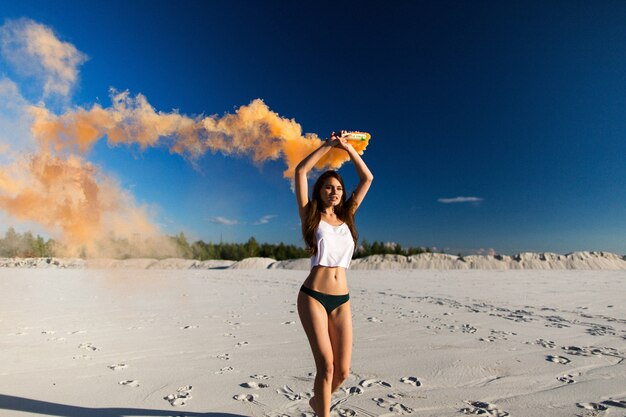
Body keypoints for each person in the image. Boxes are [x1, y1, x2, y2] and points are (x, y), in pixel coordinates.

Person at [295, 130, 374, 416]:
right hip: (313, 297)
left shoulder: (348, 216)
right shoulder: (311, 215)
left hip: (342, 301)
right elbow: (301, 171)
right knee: (325, 367)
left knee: (342, 372)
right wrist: (327, 146)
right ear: (320, 191)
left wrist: (348, 148)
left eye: (338, 188)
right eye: (328, 187)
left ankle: (318, 404)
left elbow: (367, 179)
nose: (334, 191)